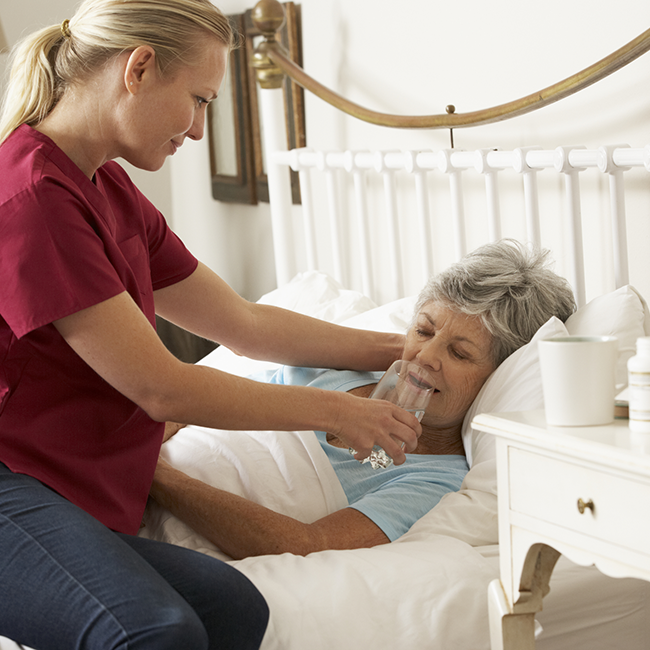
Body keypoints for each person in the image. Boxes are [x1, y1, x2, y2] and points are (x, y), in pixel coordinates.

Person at [0, 1, 422, 648]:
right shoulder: (33, 196)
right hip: (12, 484)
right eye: (198, 100)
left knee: (234, 610)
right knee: (154, 634)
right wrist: (337, 412)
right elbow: (162, 389)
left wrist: (403, 351)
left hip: (64, 489)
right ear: (139, 68)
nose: (198, 131)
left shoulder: (105, 188)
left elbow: (245, 325)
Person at [148, 240, 577, 560]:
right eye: (424, 331)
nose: (424, 357)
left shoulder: (435, 480)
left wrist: (154, 476)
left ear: (498, 379)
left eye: (460, 353)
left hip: (153, 508)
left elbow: (304, 545)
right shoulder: (332, 371)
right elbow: (202, 400)